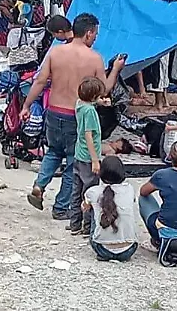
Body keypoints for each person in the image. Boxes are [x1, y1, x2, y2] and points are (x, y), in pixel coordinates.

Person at [21, 13, 125, 219]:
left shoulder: (55, 52)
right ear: (88, 33)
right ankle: (61, 208)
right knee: (72, 163)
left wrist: (26, 105)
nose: (95, 38)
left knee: (53, 152)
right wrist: (115, 69)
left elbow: (40, 82)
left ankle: (39, 185)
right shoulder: (94, 58)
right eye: (95, 34)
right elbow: (104, 89)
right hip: (75, 116)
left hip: (53, 111)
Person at [83, 156, 139, 262]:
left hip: (102, 248)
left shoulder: (92, 191)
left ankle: (97, 235)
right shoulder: (129, 189)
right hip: (129, 249)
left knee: (93, 207)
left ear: (101, 173)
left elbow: (84, 208)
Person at [70, 76, 105, 235]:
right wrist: (95, 160)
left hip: (78, 154)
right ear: (93, 97)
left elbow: (88, 103)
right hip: (88, 157)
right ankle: (87, 225)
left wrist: (99, 102)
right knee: (90, 192)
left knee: (76, 191)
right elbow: (89, 135)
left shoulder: (80, 104)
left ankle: (74, 223)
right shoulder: (90, 111)